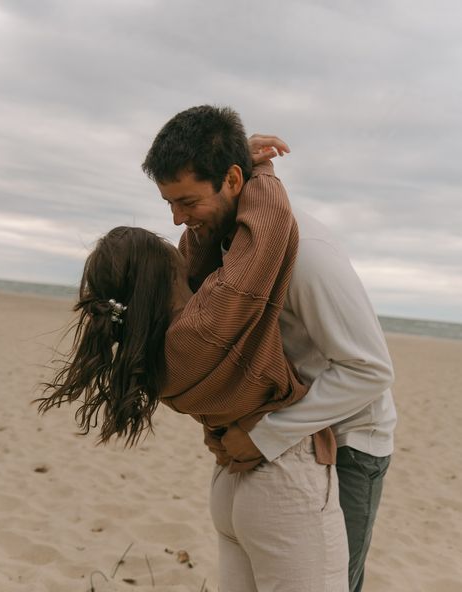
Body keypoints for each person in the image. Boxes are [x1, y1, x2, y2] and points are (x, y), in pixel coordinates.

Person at [37, 151, 349, 590]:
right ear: (163, 276)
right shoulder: (206, 325)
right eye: (169, 249)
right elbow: (268, 231)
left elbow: (201, 257)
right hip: (284, 481)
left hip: (232, 486)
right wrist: (257, 170)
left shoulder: (149, 347)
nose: (181, 237)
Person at [142, 105, 397, 592]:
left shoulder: (309, 253)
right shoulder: (233, 239)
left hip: (348, 440)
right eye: (169, 203)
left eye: (188, 201)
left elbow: (370, 371)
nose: (178, 218)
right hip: (289, 436)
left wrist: (267, 434)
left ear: (233, 181)